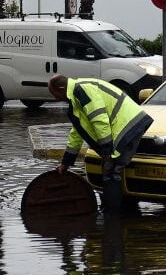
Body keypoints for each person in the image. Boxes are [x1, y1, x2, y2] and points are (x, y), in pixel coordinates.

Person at [49, 74, 153, 214]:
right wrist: (66, 162)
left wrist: (107, 151)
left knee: (111, 171)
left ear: (61, 88)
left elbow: (99, 120)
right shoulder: (76, 96)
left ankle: (114, 215)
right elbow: (77, 132)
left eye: (54, 93)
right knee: (109, 169)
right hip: (123, 126)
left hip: (128, 126)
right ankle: (118, 208)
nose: (54, 98)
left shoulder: (82, 90)